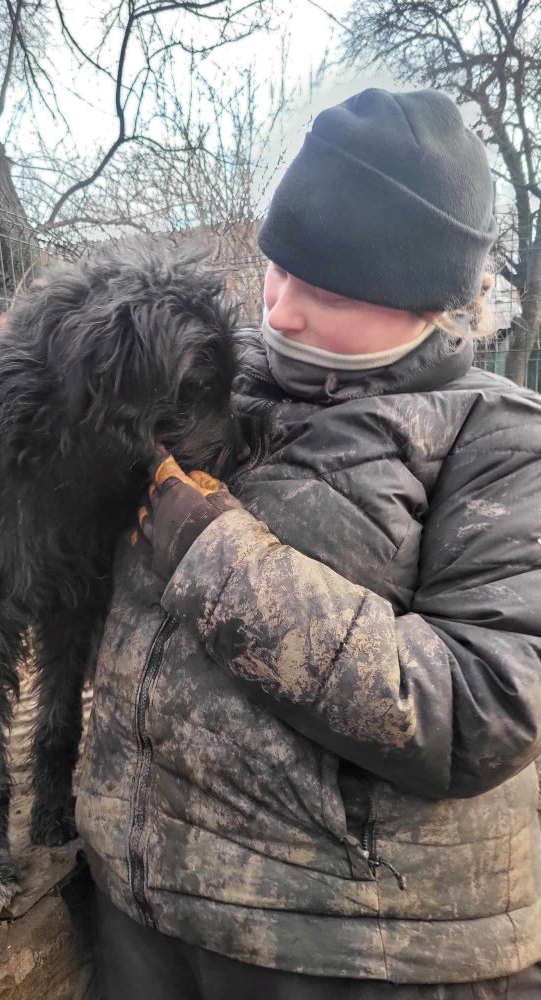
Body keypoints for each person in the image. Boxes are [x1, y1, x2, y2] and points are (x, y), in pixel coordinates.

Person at [75, 88, 541, 998]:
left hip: (359, 952)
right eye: (278, 268)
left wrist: (214, 555)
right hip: (141, 908)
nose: (281, 311)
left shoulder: (502, 439)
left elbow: (483, 706)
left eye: (327, 291)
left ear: (434, 302)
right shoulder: (216, 373)